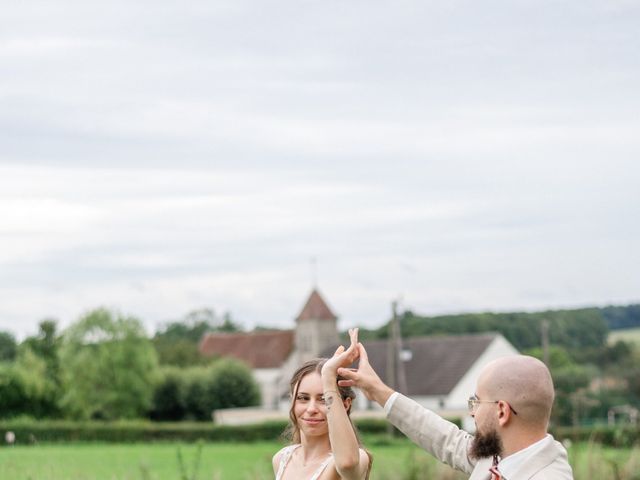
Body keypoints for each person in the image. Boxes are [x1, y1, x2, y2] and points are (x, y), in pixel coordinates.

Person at [338, 344, 574, 480]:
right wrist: (378, 391)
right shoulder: (498, 459)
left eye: (476, 402)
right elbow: (444, 438)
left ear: (502, 411)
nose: (473, 413)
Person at [273, 328, 372, 480]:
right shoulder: (281, 459)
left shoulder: (357, 458)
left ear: (345, 404)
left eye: (324, 399)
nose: (311, 409)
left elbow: (347, 464)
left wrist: (329, 378)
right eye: (303, 398)